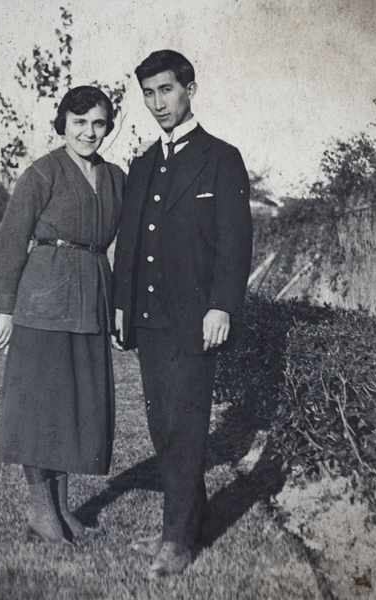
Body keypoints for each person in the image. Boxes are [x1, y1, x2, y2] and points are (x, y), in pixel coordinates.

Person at [114, 50, 253, 578]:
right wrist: (123, 305)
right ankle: (187, 520)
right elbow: (129, 242)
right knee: (162, 423)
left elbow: (235, 243)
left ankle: (177, 539)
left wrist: (222, 305)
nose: (158, 103)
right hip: (149, 317)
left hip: (196, 317)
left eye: (166, 90)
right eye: (148, 93)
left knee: (186, 425)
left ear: (189, 89)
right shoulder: (144, 164)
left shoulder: (221, 156)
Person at [0, 86, 125, 545]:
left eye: (99, 123)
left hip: (92, 301)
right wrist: (7, 308)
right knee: (39, 410)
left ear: (110, 124)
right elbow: (10, 242)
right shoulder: (41, 173)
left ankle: (63, 511)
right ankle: (41, 514)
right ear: (63, 122)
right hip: (43, 300)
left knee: (75, 409)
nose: (89, 132)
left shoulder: (115, 177)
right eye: (79, 121)